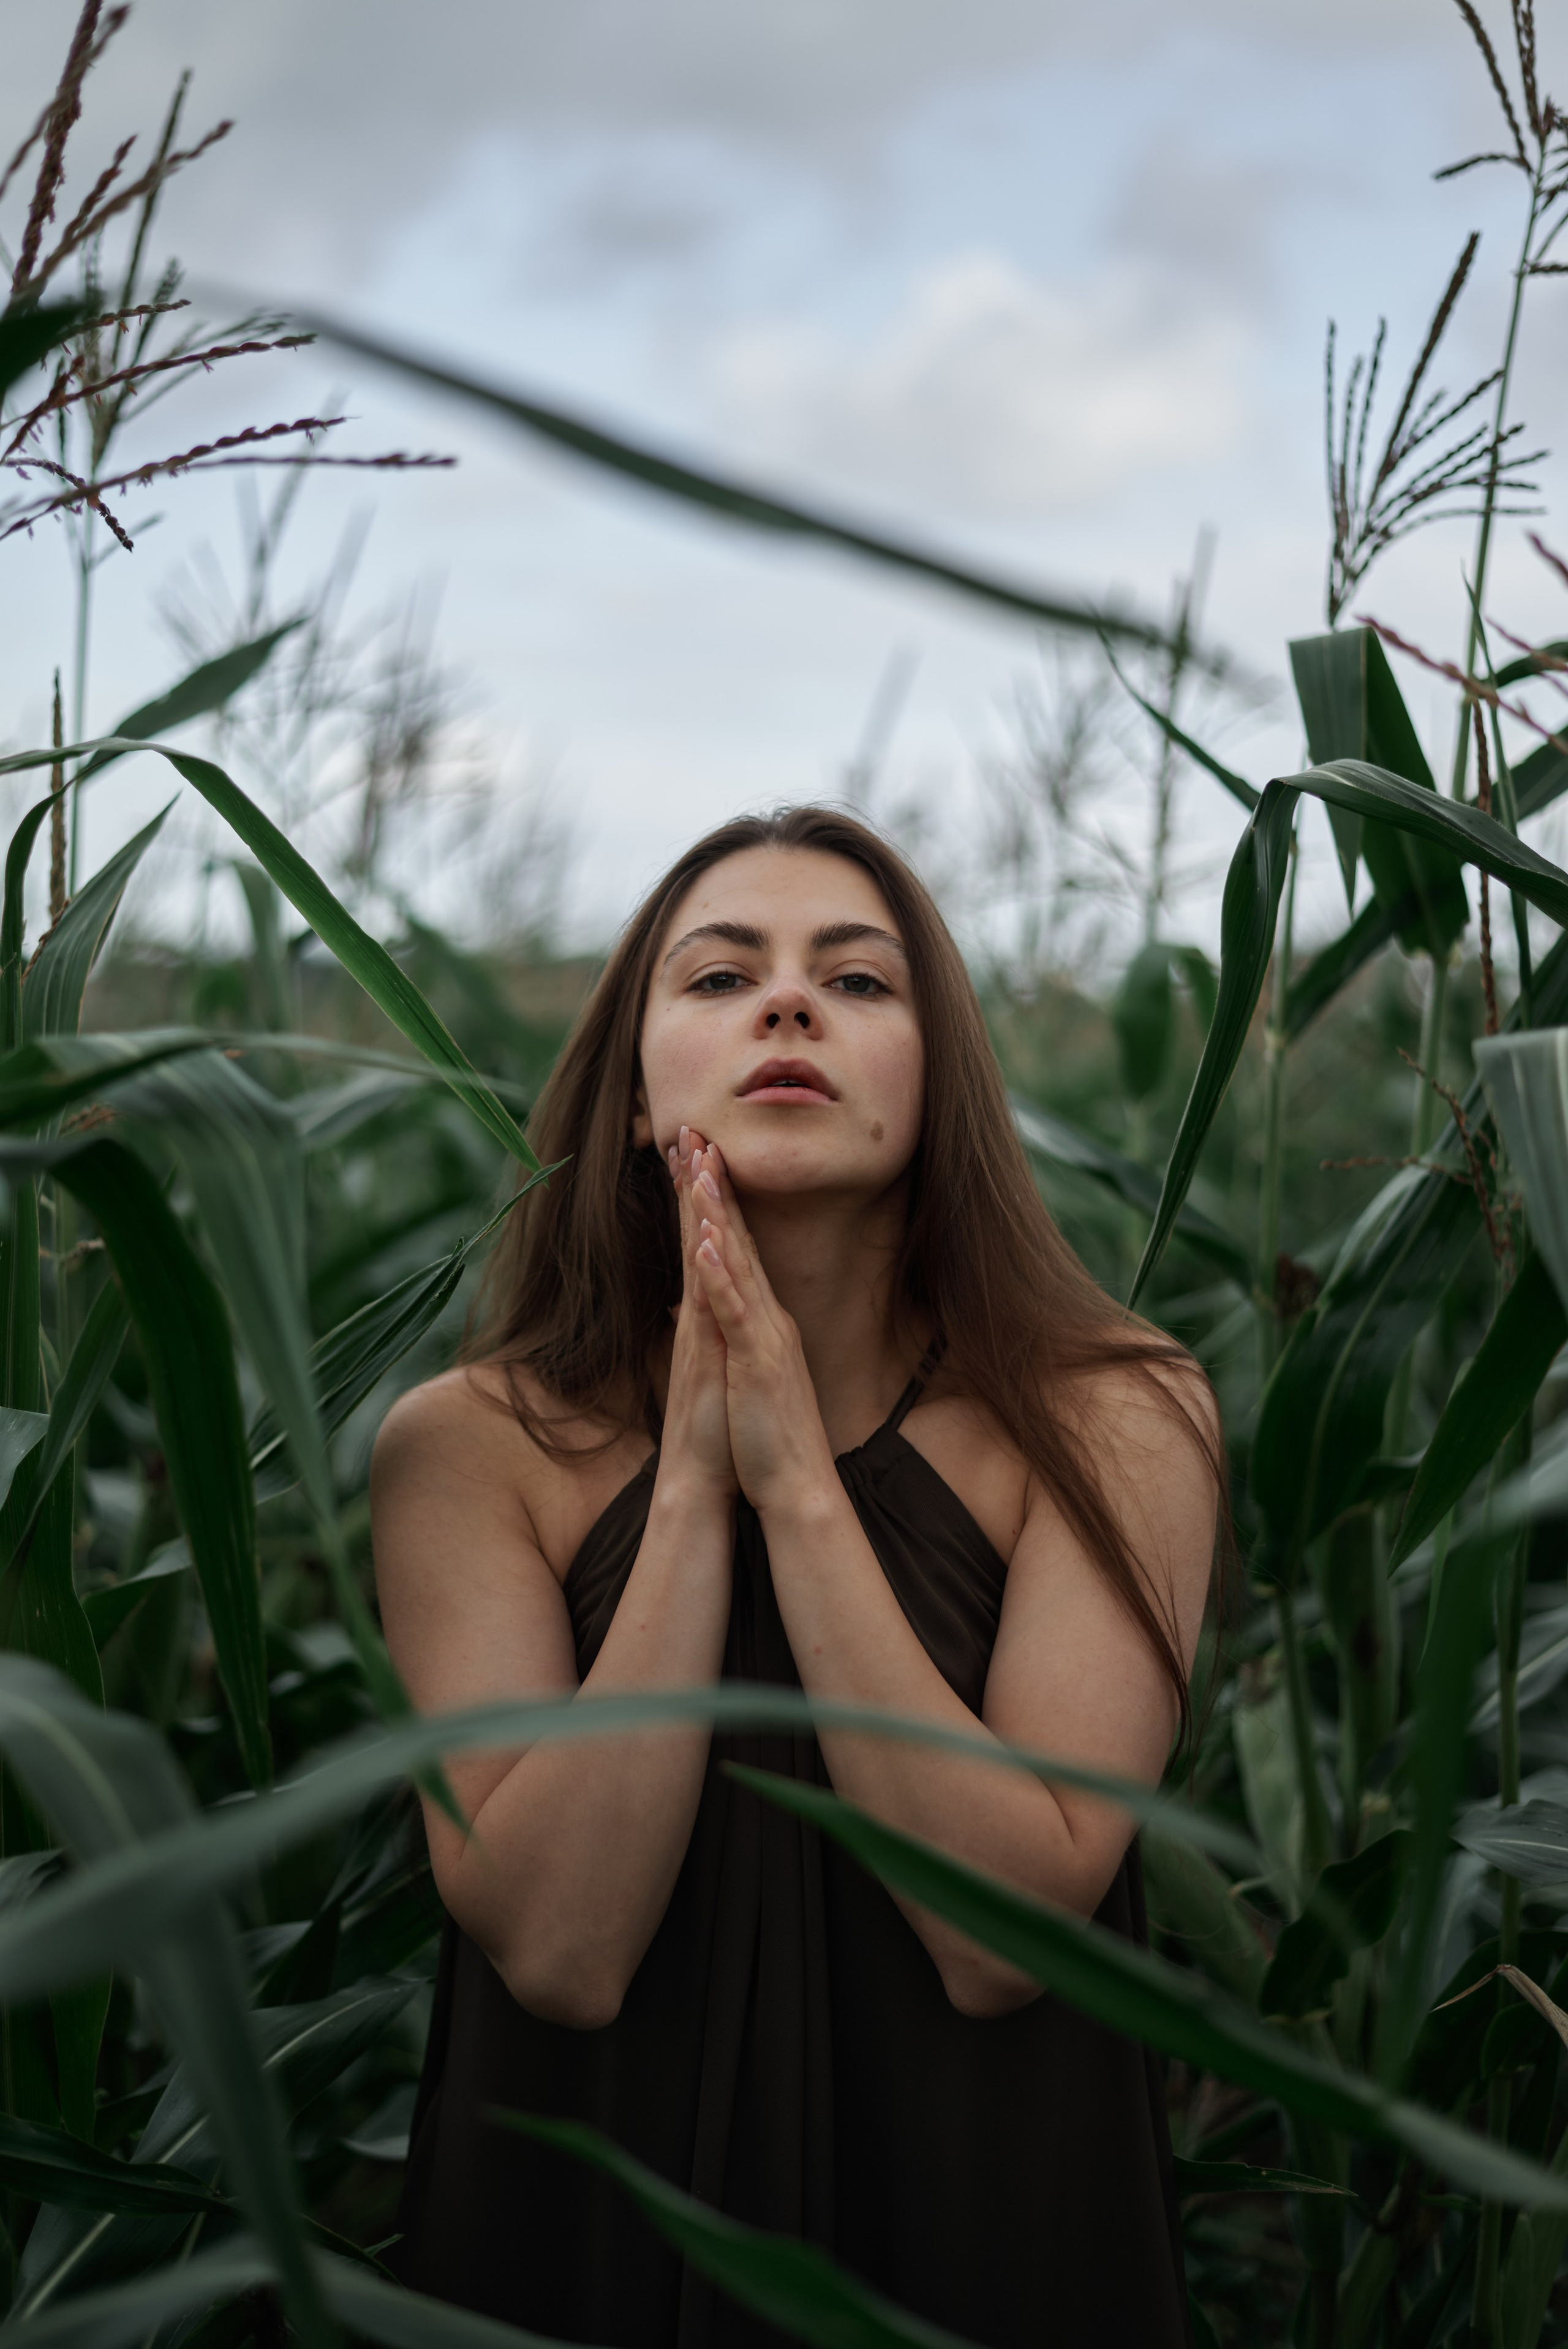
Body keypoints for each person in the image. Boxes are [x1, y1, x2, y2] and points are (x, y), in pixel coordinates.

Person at [372, 804, 1220, 2349]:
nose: (786, 1004)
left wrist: (795, 1486)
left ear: (933, 1081)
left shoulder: (1114, 1415)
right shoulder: (468, 1451)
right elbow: (561, 1950)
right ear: (634, 1101)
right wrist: (695, 1478)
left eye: (858, 980)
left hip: (982, 2248)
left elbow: (997, 1940)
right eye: (715, 977)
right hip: (582, 2253)